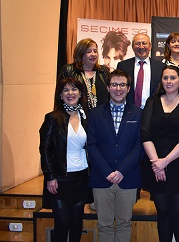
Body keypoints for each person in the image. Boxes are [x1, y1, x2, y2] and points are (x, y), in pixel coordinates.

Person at [140, 65, 179, 242]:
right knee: (163, 214)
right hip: (155, 165)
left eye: (172, 78)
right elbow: (145, 134)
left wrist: (164, 162)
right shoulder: (152, 101)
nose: (168, 81)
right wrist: (156, 163)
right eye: (165, 78)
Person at [87, 69, 143, 242]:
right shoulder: (95, 114)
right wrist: (107, 172)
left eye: (122, 85)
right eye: (114, 85)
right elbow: (92, 146)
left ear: (128, 88)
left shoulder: (138, 114)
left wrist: (121, 171)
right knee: (104, 225)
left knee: (124, 223)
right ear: (108, 87)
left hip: (128, 178)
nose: (118, 89)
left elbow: (139, 146)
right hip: (101, 178)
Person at [39, 77, 90, 242]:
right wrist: (50, 176)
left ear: (80, 93)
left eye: (74, 89)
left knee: (77, 223)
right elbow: (45, 149)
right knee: (62, 223)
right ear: (60, 95)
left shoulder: (86, 117)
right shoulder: (52, 118)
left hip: (81, 177)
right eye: (66, 90)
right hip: (60, 178)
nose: (70, 93)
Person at [59, 38, 109, 110]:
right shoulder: (69, 70)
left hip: (101, 117)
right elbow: (60, 96)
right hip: (76, 117)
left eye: (95, 51)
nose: (93, 54)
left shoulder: (104, 71)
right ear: (80, 54)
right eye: (89, 52)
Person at [117, 33, 164, 109]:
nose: (141, 47)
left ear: (150, 46)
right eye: (138, 44)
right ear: (132, 47)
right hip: (129, 110)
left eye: (144, 43)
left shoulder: (161, 67)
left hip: (153, 111)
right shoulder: (123, 66)